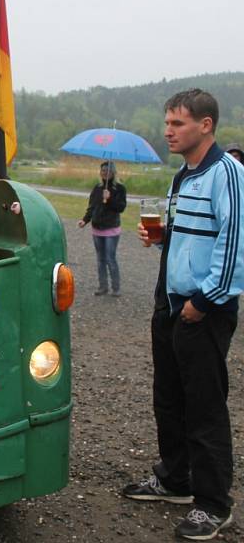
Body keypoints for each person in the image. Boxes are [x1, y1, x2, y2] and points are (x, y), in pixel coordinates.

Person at [122, 89, 244, 541]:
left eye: (178, 124)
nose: (168, 131)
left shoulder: (228, 174)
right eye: (168, 122)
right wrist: (160, 237)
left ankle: (214, 504)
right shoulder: (181, 176)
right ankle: (175, 480)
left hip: (203, 309)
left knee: (204, 408)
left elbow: (234, 245)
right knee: (168, 399)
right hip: (170, 304)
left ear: (206, 125)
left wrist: (205, 302)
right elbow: (188, 234)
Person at [77, 161, 126, 296]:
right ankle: (102, 287)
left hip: (111, 229)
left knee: (111, 258)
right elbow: (92, 207)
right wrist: (85, 220)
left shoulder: (120, 188)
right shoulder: (97, 188)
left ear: (114, 173)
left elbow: (121, 207)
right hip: (97, 228)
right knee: (100, 259)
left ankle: (116, 288)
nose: (105, 172)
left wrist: (109, 199)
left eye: (108, 170)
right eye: (103, 170)